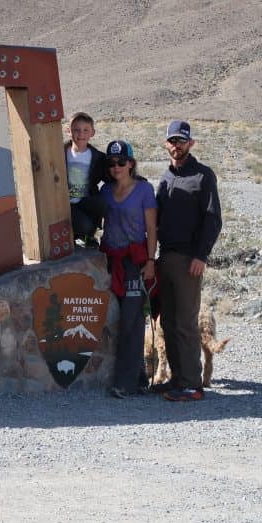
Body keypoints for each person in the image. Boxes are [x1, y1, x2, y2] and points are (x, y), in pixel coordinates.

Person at [153, 120, 223, 402]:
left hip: (188, 260)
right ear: (166, 143)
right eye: (172, 141)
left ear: (190, 144)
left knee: (185, 322)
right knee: (167, 322)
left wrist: (201, 256)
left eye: (181, 141)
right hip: (165, 256)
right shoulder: (166, 178)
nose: (176, 146)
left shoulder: (203, 176)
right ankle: (176, 379)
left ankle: (192, 385)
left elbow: (213, 219)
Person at [99, 140, 157, 399]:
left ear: (131, 163)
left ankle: (125, 383)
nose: (116, 167)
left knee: (132, 322)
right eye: (111, 163)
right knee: (119, 319)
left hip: (135, 261)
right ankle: (141, 378)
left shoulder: (144, 190)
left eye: (121, 162)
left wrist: (151, 261)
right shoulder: (104, 192)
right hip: (111, 260)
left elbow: (152, 229)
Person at [64, 112, 108, 248]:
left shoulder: (98, 157)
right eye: (76, 130)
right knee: (83, 225)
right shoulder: (60, 153)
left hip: (85, 200)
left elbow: (111, 176)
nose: (81, 134)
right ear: (68, 131)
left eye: (85, 130)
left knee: (103, 204)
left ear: (92, 133)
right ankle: (76, 235)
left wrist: (134, 178)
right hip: (67, 203)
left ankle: (90, 235)